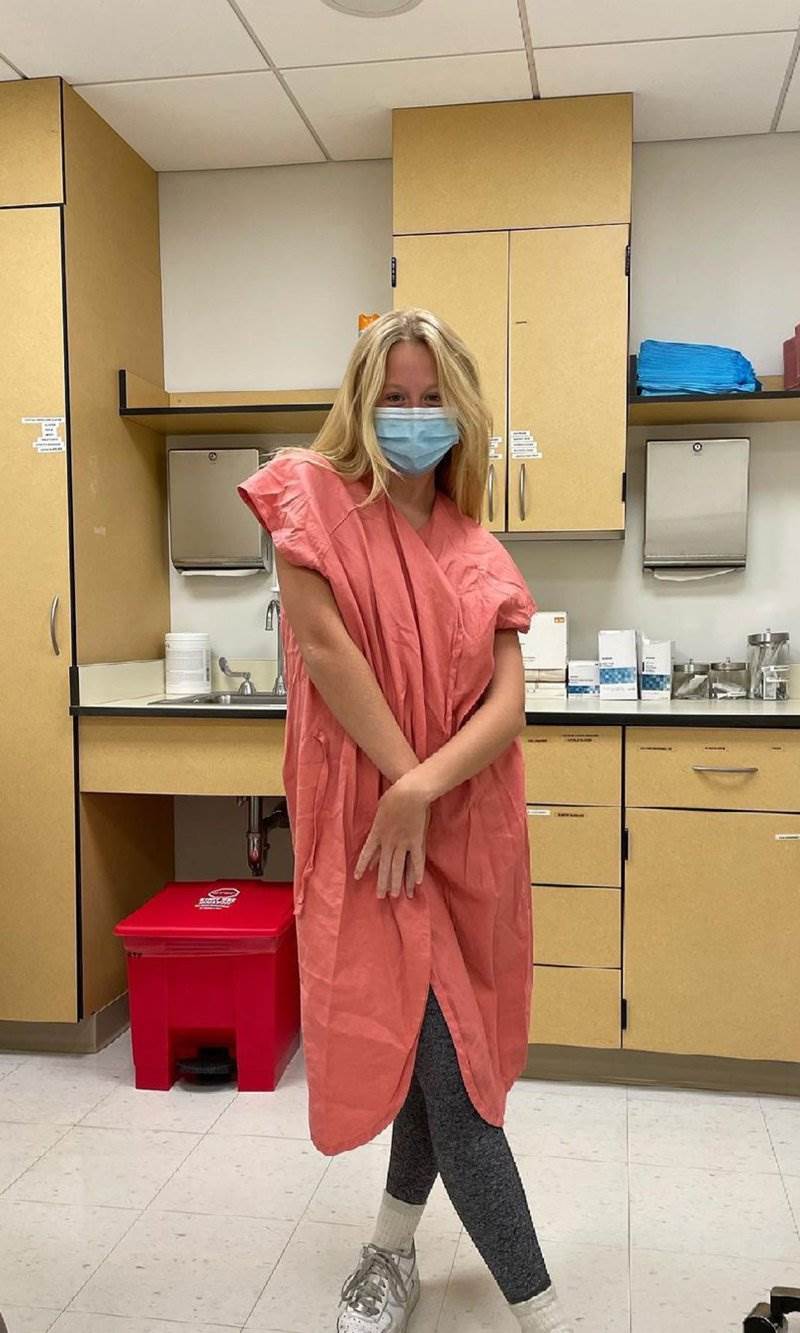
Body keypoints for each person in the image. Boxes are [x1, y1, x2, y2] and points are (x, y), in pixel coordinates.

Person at [238, 308, 572, 1333]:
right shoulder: (312, 500)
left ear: (460, 413)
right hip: (374, 841)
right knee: (452, 1081)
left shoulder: (481, 553)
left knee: (448, 1065)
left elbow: (507, 708)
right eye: (394, 396)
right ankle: (543, 1311)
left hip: (460, 836)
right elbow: (325, 649)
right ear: (362, 400)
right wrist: (400, 785)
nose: (413, 415)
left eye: (432, 399)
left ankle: (389, 1250)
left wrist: (421, 788)